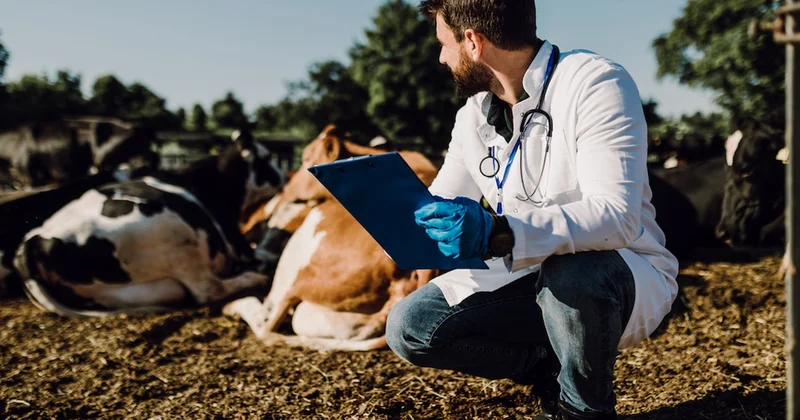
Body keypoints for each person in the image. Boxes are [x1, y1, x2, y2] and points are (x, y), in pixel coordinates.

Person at [384, 1, 680, 419]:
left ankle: (581, 408)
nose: (441, 57)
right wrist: (402, 216)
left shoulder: (596, 82)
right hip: (527, 273)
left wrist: (497, 233)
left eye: (443, 44)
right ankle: (546, 367)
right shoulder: (472, 116)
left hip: (622, 274)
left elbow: (617, 218)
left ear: (473, 42)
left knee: (572, 271)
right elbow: (443, 199)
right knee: (411, 327)